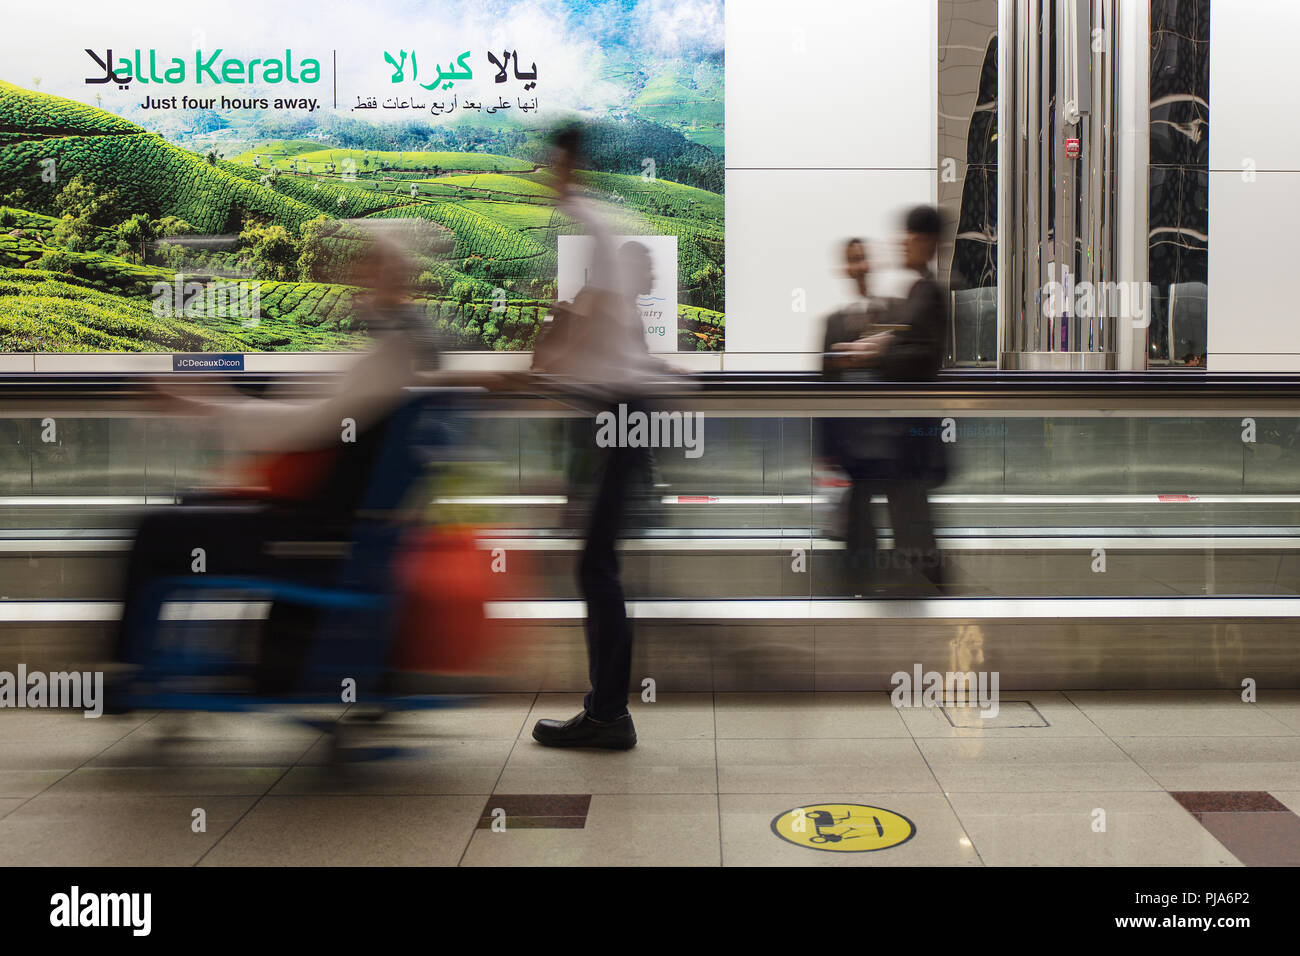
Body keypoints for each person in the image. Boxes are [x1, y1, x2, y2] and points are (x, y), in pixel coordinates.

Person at [111, 228, 501, 701]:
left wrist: (201, 403)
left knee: (155, 530)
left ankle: (131, 671)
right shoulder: (411, 357)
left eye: (370, 269)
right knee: (187, 513)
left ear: (397, 282)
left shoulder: (387, 361)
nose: (355, 280)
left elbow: (304, 426)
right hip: (333, 535)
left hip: (306, 540)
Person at [530, 124, 676, 750]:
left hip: (617, 422)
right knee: (599, 567)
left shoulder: (597, 229)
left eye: (553, 161)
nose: (547, 174)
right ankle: (606, 708)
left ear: (568, 162)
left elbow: (557, 353)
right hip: (617, 420)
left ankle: (610, 713)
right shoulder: (602, 238)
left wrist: (557, 332)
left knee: (598, 569)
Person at [831, 205, 949, 593]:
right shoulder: (917, 293)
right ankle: (914, 590)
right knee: (910, 525)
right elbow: (909, 341)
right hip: (900, 445)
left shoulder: (925, 293)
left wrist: (874, 352)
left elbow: (921, 354)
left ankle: (922, 594)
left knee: (913, 528)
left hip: (909, 441)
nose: (902, 243)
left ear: (927, 242)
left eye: (910, 237)